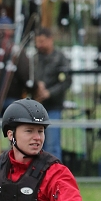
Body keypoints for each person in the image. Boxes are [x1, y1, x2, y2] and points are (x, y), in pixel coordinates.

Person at [31, 27, 72, 160]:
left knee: (52, 144)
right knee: (35, 144)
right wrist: (37, 86)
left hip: (53, 106)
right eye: (37, 42)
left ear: (50, 40)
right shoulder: (35, 59)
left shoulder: (61, 58)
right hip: (36, 107)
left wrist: (49, 93)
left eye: (42, 41)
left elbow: (67, 81)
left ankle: (55, 176)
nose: (39, 45)